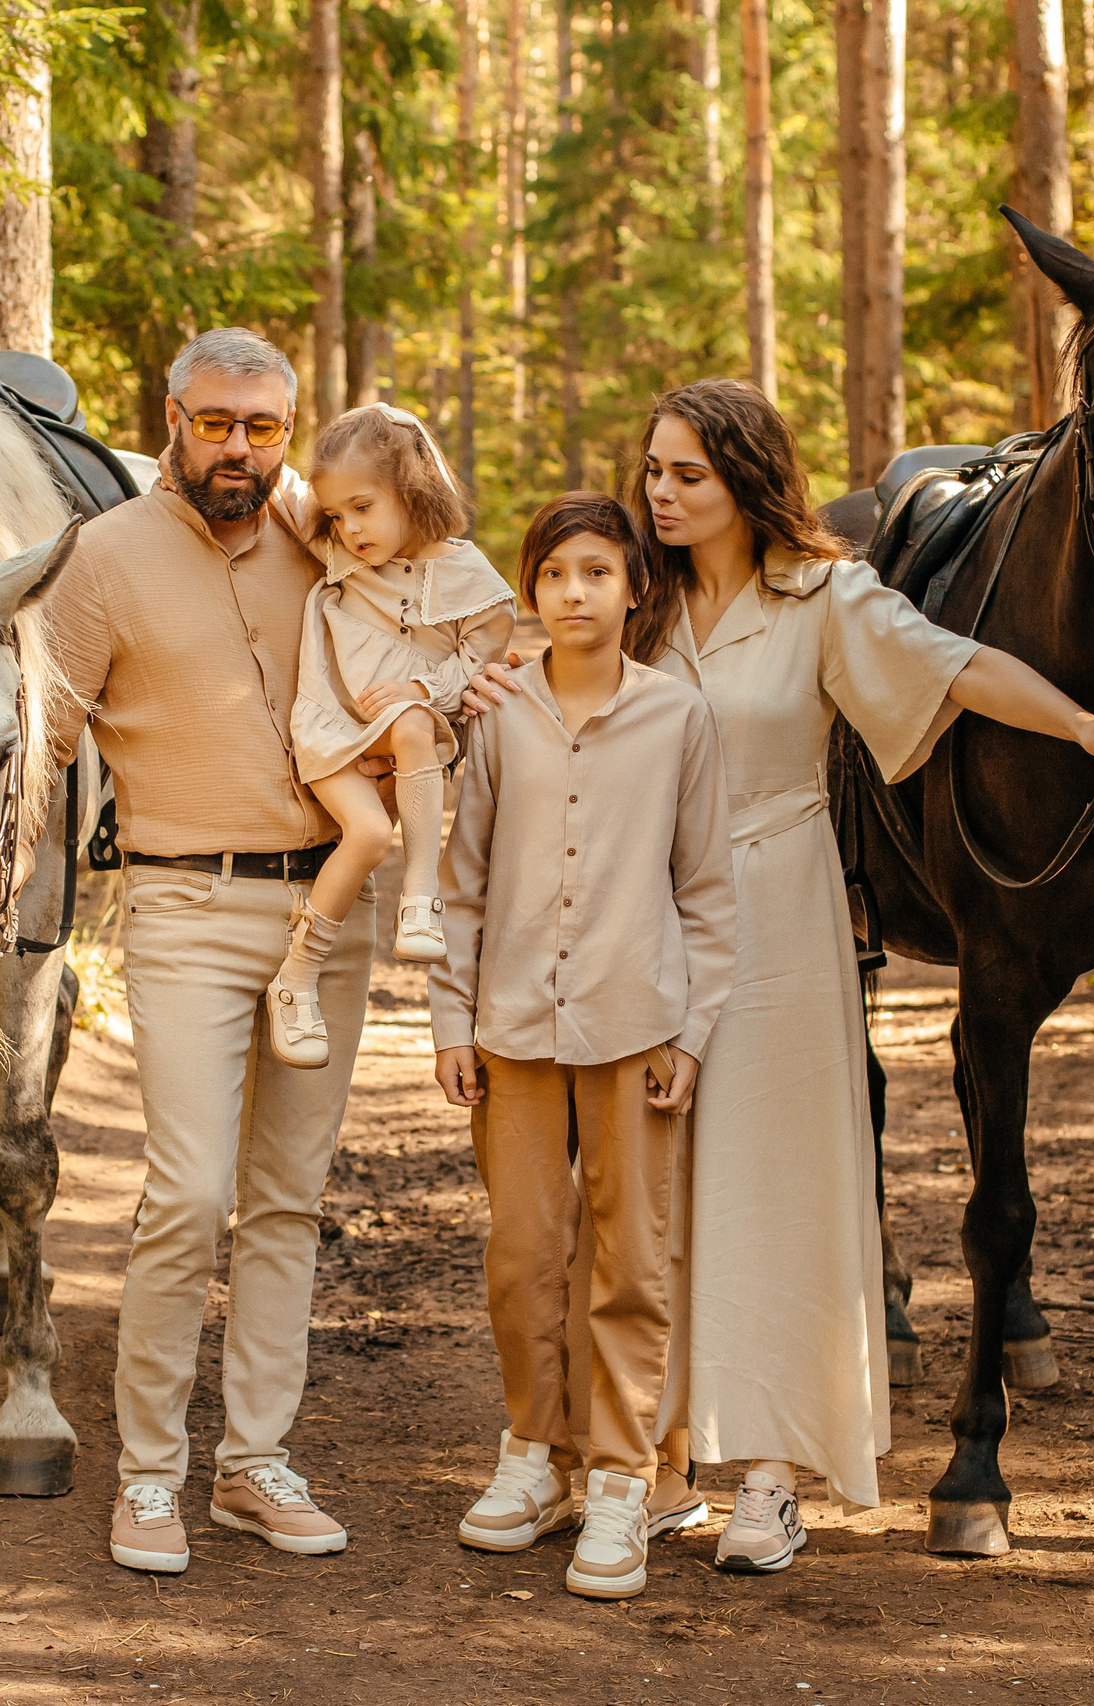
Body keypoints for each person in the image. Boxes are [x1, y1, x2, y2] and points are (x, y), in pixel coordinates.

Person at [611, 378, 1094, 1573]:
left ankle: (770, 1474)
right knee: (647, 1188)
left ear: (746, 481)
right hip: (636, 915)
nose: (660, 493)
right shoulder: (631, 606)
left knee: (777, 1186)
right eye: (652, 470)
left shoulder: (824, 597)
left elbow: (956, 668)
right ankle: (652, 1459)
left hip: (775, 908)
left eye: (686, 474)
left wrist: (1079, 724)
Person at [36, 328, 379, 1575]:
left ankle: (252, 1463)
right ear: (171, 415)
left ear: (293, 428)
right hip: (185, 907)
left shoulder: (334, 535)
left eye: (265, 426)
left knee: (287, 1200)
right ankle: (145, 1476)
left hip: (330, 917)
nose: (239, 447)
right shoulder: (104, 558)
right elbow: (45, 742)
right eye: (217, 421)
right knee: (185, 1195)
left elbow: (436, 628)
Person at [429, 493, 737, 1601]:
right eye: (554, 574)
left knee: (631, 1260)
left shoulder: (678, 717)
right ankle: (533, 1455)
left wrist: (690, 1034)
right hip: (510, 1026)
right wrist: (449, 1018)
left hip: (632, 1026)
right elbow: (458, 883)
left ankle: (619, 1477)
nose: (574, 593)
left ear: (633, 588)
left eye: (596, 573)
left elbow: (704, 892)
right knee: (521, 1253)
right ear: (531, 590)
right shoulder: (498, 711)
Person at [267, 404, 516, 1069]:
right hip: (330, 728)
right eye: (338, 515)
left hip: (405, 729)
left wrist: (423, 689)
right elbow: (277, 483)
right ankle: (298, 978)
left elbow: (481, 663)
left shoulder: (474, 583)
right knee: (370, 832)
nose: (349, 528)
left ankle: (410, 904)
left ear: (414, 486)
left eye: (363, 507)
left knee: (400, 757)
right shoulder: (336, 552)